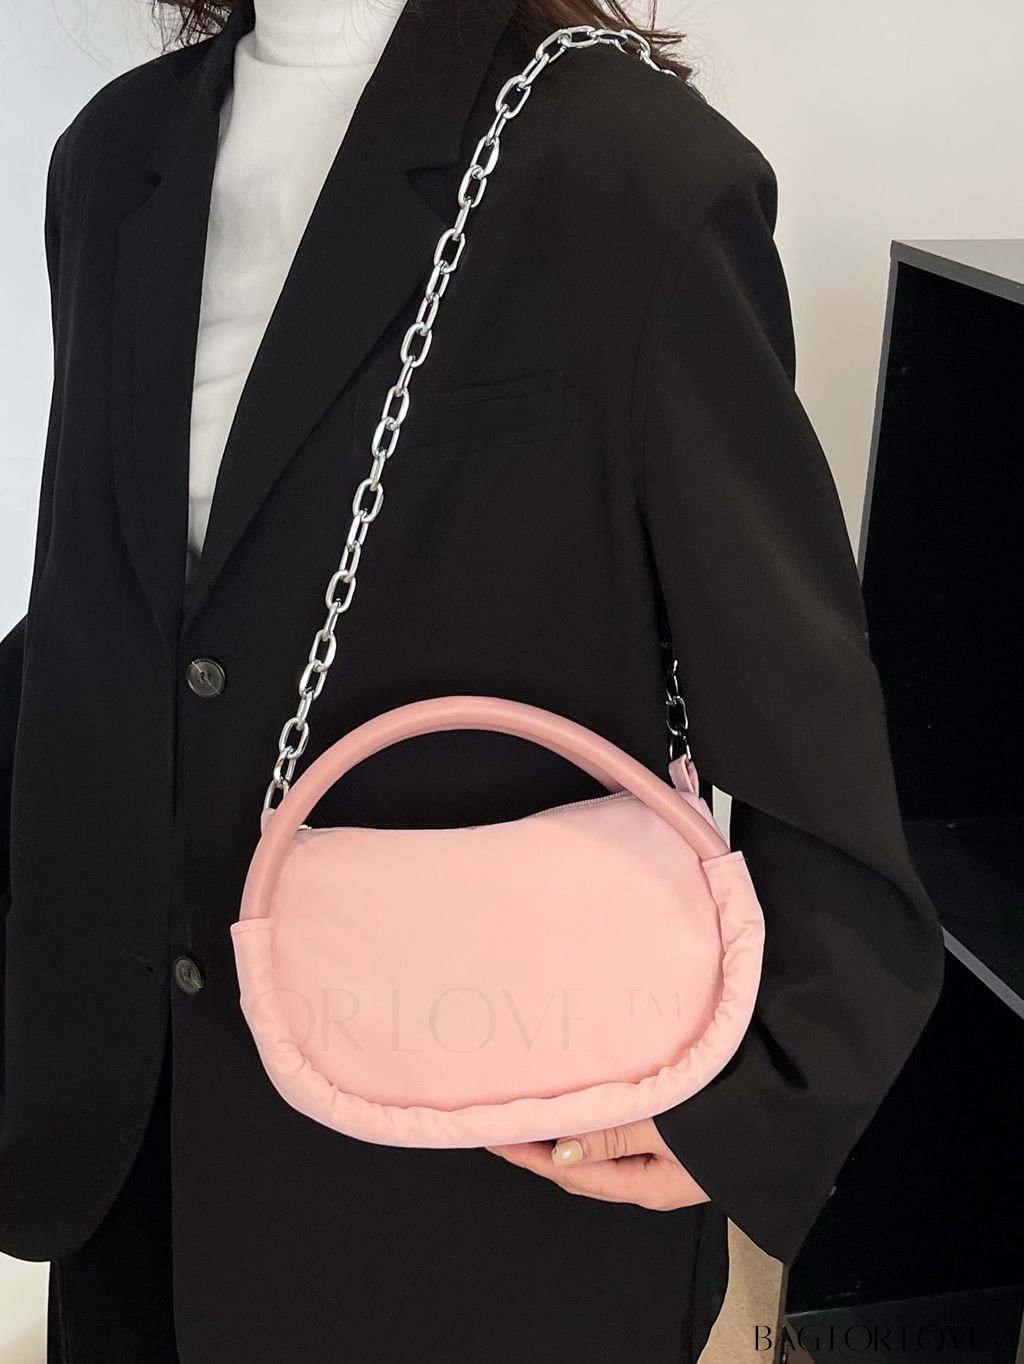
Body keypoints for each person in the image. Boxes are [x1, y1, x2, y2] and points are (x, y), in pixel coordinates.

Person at [0, 0, 945, 1359]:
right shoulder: (111, 158)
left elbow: (792, 681)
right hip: (131, 1144)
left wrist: (774, 1092)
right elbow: (123, 604)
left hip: (479, 1165)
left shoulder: (628, 171)